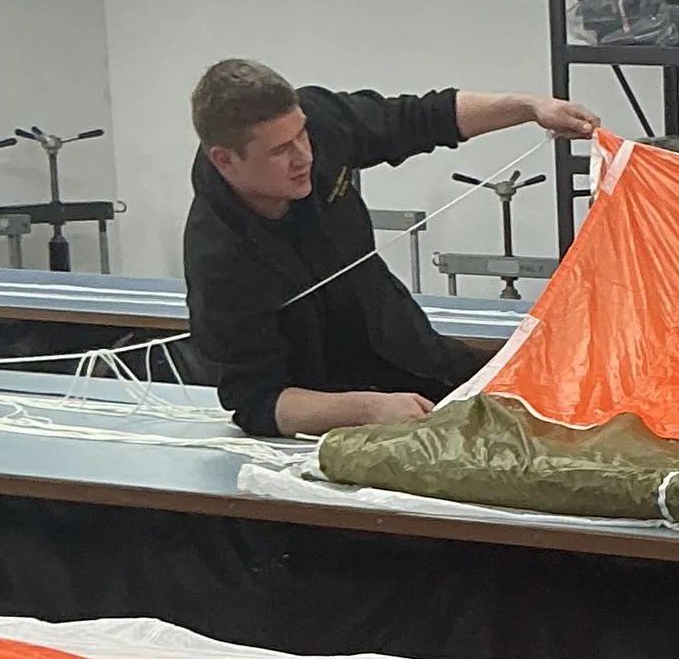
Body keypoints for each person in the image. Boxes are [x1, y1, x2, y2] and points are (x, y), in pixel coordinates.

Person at [182, 59, 597, 438]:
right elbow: (257, 403)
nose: (303, 155)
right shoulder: (218, 260)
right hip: (334, 417)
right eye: (279, 150)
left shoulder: (319, 121)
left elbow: (421, 118)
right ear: (224, 160)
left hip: (413, 351)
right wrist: (368, 407)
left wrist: (530, 108)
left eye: (301, 134)